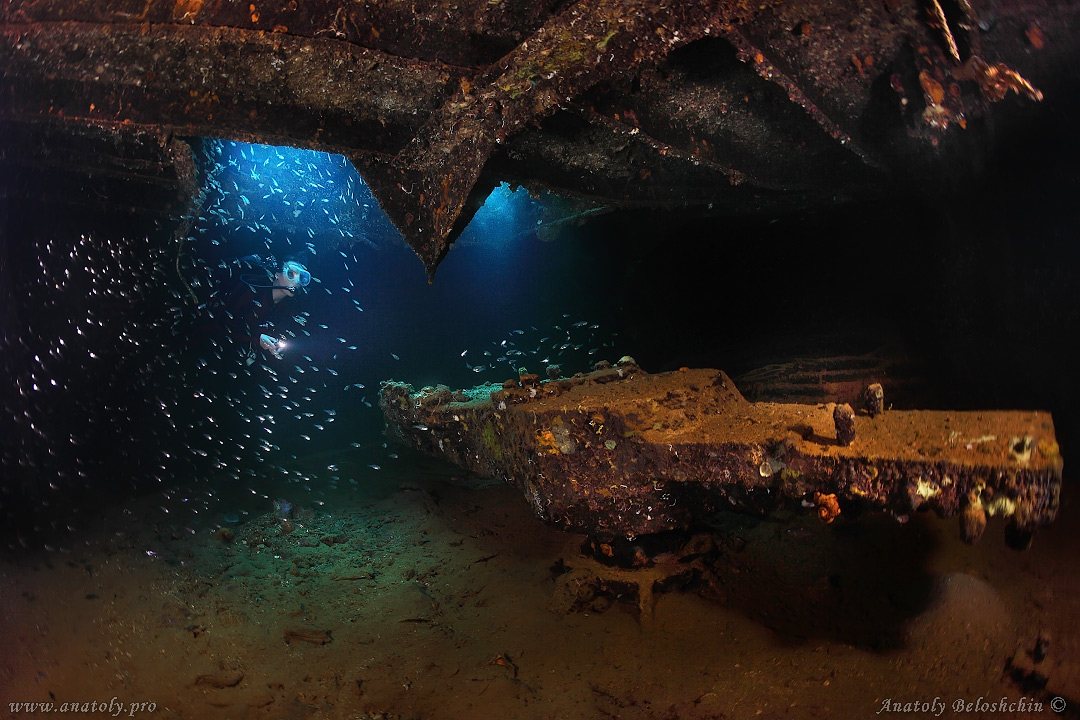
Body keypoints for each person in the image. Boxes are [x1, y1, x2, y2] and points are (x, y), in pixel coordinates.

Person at [189, 253, 312, 366]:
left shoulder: (287, 308)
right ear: (277, 274)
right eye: (291, 274)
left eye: (301, 277)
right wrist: (257, 339)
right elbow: (223, 322)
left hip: (241, 358)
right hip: (212, 347)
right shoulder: (251, 290)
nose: (296, 282)